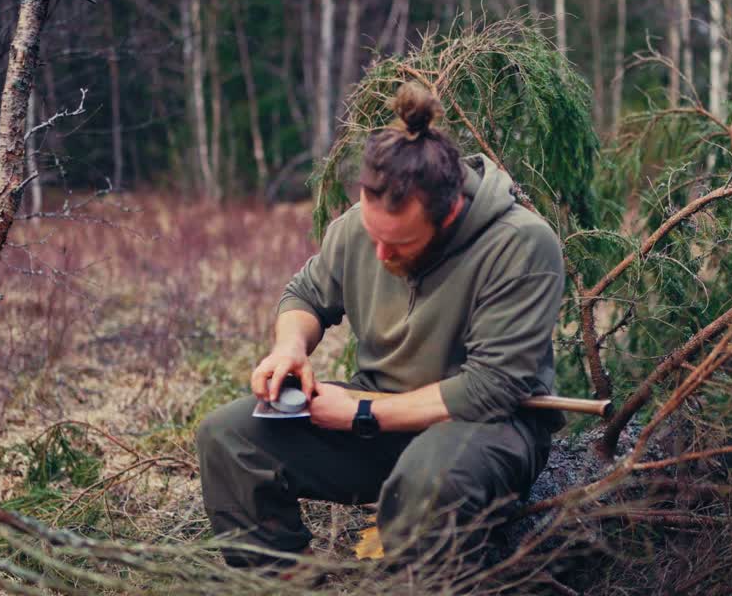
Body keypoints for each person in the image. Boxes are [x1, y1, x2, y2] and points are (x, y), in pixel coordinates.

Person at [196, 81, 566, 568]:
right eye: (373, 236)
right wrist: (290, 348)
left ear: (450, 214)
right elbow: (305, 295)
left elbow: (491, 389)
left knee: (428, 481)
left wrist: (359, 412)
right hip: (379, 419)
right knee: (227, 436)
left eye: (399, 244)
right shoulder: (363, 226)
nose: (380, 254)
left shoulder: (520, 245)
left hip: (485, 429)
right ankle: (284, 578)